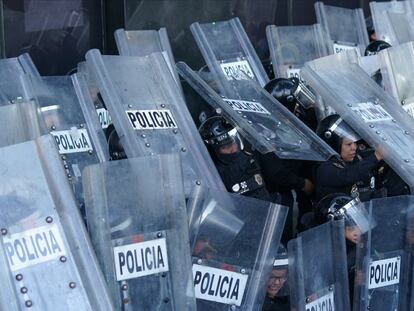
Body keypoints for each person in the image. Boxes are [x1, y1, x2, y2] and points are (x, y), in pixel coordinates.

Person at [199, 114, 275, 201]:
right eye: (226, 147)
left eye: (234, 143)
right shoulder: (211, 170)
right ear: (213, 150)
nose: (233, 149)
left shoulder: (247, 157)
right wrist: (246, 154)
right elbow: (226, 178)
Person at [315, 114, 383, 202]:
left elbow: (366, 158)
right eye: (348, 144)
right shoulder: (325, 169)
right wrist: (376, 157)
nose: (354, 147)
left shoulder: (352, 158)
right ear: (335, 146)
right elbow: (347, 175)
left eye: (355, 143)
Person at [262, 245, 290, 311]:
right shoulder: (250, 299)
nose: (277, 283)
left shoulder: (290, 299)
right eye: (271, 277)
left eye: (283, 277)